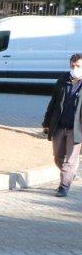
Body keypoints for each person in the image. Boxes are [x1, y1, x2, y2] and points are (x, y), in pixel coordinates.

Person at [43, 53, 82, 197]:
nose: (75, 68)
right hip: (59, 126)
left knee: (70, 160)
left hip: (77, 129)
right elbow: (53, 103)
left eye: (78, 65)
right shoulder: (62, 80)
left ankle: (64, 186)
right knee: (57, 157)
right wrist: (46, 123)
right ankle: (70, 174)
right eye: (72, 65)